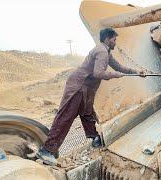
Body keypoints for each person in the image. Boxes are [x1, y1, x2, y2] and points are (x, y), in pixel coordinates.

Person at [36, 28, 145, 165]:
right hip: (78, 87)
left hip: (86, 89)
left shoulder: (106, 52)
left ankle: (94, 138)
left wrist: (136, 72)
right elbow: (98, 73)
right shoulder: (101, 51)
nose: (115, 43)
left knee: (87, 113)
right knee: (65, 117)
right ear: (107, 39)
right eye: (114, 40)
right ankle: (47, 150)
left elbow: (119, 67)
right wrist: (115, 75)